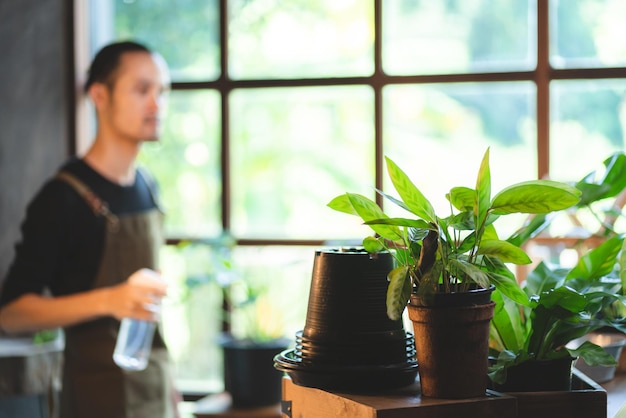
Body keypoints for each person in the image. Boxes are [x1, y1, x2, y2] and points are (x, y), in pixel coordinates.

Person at [0, 41, 179, 418]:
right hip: (96, 398)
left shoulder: (147, 185)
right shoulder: (63, 198)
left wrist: (172, 392)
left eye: (162, 91)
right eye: (142, 89)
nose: (156, 104)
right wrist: (110, 300)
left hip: (156, 390)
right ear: (99, 95)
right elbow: (12, 313)